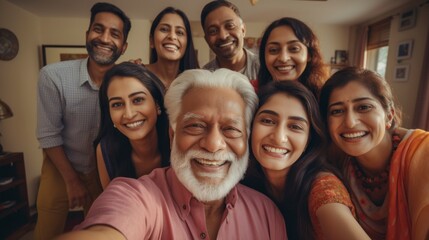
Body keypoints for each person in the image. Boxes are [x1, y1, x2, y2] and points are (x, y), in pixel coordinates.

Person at [55, 69, 287, 240]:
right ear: (172, 134)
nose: (214, 144)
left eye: (231, 129)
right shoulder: (137, 194)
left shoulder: (268, 214)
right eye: (195, 125)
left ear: (246, 139)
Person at [35, 2, 131, 239]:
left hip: (103, 169)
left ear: (124, 46)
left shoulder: (126, 81)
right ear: (87, 34)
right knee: (47, 230)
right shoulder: (53, 75)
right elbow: (48, 134)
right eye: (98, 29)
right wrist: (71, 180)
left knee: (101, 228)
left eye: (115, 34)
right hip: (60, 164)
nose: (105, 38)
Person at [243, 80, 369, 239]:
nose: (279, 137)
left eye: (295, 126)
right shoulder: (243, 182)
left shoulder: (323, 188)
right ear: (251, 126)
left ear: (308, 140)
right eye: (268, 121)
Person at [319, 67, 429, 240]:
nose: (350, 122)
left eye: (363, 107)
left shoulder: (422, 153)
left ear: (389, 115)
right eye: (337, 111)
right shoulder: (336, 162)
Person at [93, 62, 170, 189]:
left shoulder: (178, 142)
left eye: (138, 100)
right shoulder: (106, 150)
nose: (128, 114)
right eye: (117, 104)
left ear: (157, 104)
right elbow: (112, 202)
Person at [257, 17, 328, 97]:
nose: (283, 58)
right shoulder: (251, 93)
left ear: (309, 55)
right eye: (273, 50)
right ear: (264, 56)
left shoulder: (325, 96)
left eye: (294, 49)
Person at [136, 7, 199, 88]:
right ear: (151, 41)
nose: (172, 36)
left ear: (187, 44)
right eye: (164, 29)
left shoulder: (196, 82)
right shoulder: (136, 74)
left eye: (180, 32)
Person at [200, 0, 259, 81]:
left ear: (243, 30)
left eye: (229, 26)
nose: (223, 36)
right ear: (206, 39)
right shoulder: (202, 79)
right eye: (213, 31)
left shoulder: (265, 68)